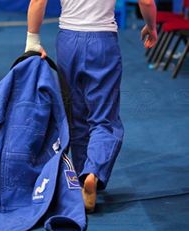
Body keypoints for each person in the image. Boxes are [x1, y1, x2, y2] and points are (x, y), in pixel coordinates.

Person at [25, 0, 157, 212]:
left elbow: (38, 1)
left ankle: (78, 179)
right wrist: (151, 26)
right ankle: (92, 172)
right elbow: (146, 1)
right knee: (104, 120)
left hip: (68, 41)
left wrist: (32, 40)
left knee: (75, 117)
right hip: (102, 42)